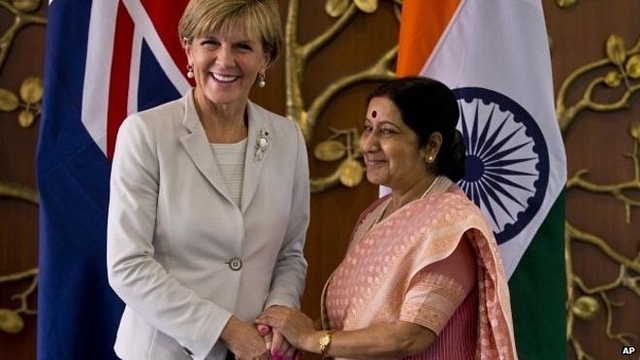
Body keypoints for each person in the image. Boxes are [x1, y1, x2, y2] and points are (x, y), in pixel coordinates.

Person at [256, 76, 517, 359]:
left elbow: (411, 337)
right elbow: (359, 321)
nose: (368, 144)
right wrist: (293, 335)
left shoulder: (449, 224)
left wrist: (311, 338)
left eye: (388, 132)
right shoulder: (375, 214)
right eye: (368, 129)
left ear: (431, 146)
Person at [106, 1, 309, 359]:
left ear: (266, 57)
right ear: (188, 48)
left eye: (243, 46)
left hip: (257, 351)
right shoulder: (145, 134)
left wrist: (276, 321)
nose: (225, 60)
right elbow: (128, 266)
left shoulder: (288, 138)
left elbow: (290, 255)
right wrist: (227, 330)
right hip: (165, 351)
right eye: (210, 43)